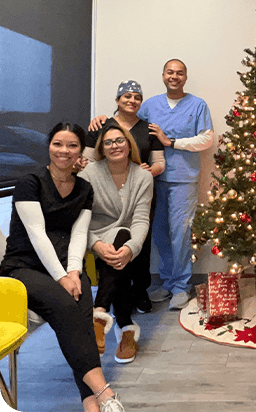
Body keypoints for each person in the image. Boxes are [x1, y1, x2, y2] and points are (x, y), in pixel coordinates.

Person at [0, 122, 126, 412]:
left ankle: (90, 403)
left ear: (80, 151)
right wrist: (61, 277)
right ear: (49, 146)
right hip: (23, 268)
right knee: (69, 306)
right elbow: (37, 235)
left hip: (63, 267)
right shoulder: (30, 183)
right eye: (58, 144)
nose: (64, 151)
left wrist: (73, 273)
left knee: (82, 308)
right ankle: (105, 393)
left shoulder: (84, 189)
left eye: (72, 145)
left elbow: (79, 235)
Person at [139, 59, 213, 310]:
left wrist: (170, 142)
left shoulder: (198, 105)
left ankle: (182, 285)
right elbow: (131, 130)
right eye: (170, 72)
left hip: (183, 177)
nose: (174, 76)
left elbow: (206, 139)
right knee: (159, 231)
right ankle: (169, 282)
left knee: (181, 231)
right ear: (162, 76)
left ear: (185, 77)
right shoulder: (149, 105)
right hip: (153, 178)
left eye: (179, 73)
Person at [85, 80, 164, 314]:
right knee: (113, 243)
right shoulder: (101, 126)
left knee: (140, 241)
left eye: (137, 97)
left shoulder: (149, 129)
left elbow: (160, 163)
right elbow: (87, 161)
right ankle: (115, 297)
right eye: (127, 96)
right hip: (106, 196)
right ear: (117, 100)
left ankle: (139, 291)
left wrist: (148, 172)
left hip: (139, 192)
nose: (132, 100)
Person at [80, 124, 153, 364]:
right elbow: (80, 220)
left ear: (129, 143)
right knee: (116, 256)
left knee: (122, 237)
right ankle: (125, 327)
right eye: (108, 142)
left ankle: (101, 314)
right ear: (101, 147)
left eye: (119, 140)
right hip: (95, 234)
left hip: (127, 237)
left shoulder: (142, 176)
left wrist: (132, 248)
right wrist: (96, 244)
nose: (115, 146)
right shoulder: (89, 173)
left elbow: (141, 219)